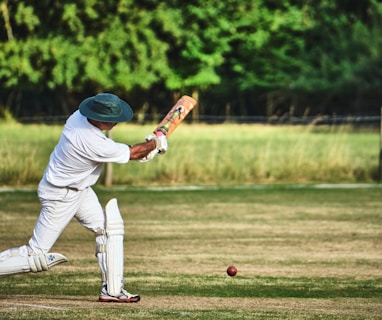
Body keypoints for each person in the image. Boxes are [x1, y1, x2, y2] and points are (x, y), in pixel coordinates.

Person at [0, 93, 168, 303]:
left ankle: (112, 290)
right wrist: (155, 144)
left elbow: (131, 152)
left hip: (80, 190)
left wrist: (149, 148)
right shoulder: (89, 140)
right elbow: (132, 153)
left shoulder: (79, 116)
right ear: (97, 118)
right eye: (111, 119)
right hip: (61, 195)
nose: (115, 122)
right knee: (35, 255)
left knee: (108, 231)